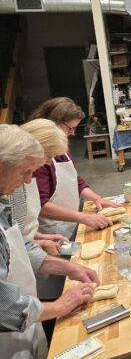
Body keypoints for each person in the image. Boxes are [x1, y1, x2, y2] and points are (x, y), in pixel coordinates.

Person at [0, 124, 97, 358]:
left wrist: (66, 266)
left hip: (19, 333)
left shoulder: (2, 203)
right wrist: (60, 306)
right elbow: (5, 307)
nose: (27, 181)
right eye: (25, 171)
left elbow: (16, 245)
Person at [29, 97, 116, 301]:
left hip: (65, 228)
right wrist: (83, 217)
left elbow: (74, 179)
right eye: (69, 129)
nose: (72, 134)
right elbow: (40, 205)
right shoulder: (38, 157)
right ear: (53, 122)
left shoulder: (60, 148)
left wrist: (96, 198)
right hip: (50, 228)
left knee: (71, 276)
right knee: (52, 288)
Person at [9, 119, 70, 256]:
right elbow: (9, 241)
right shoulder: (10, 184)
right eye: (49, 156)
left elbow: (14, 230)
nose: (49, 162)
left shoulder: (21, 177)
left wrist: (39, 238)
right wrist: (39, 243)